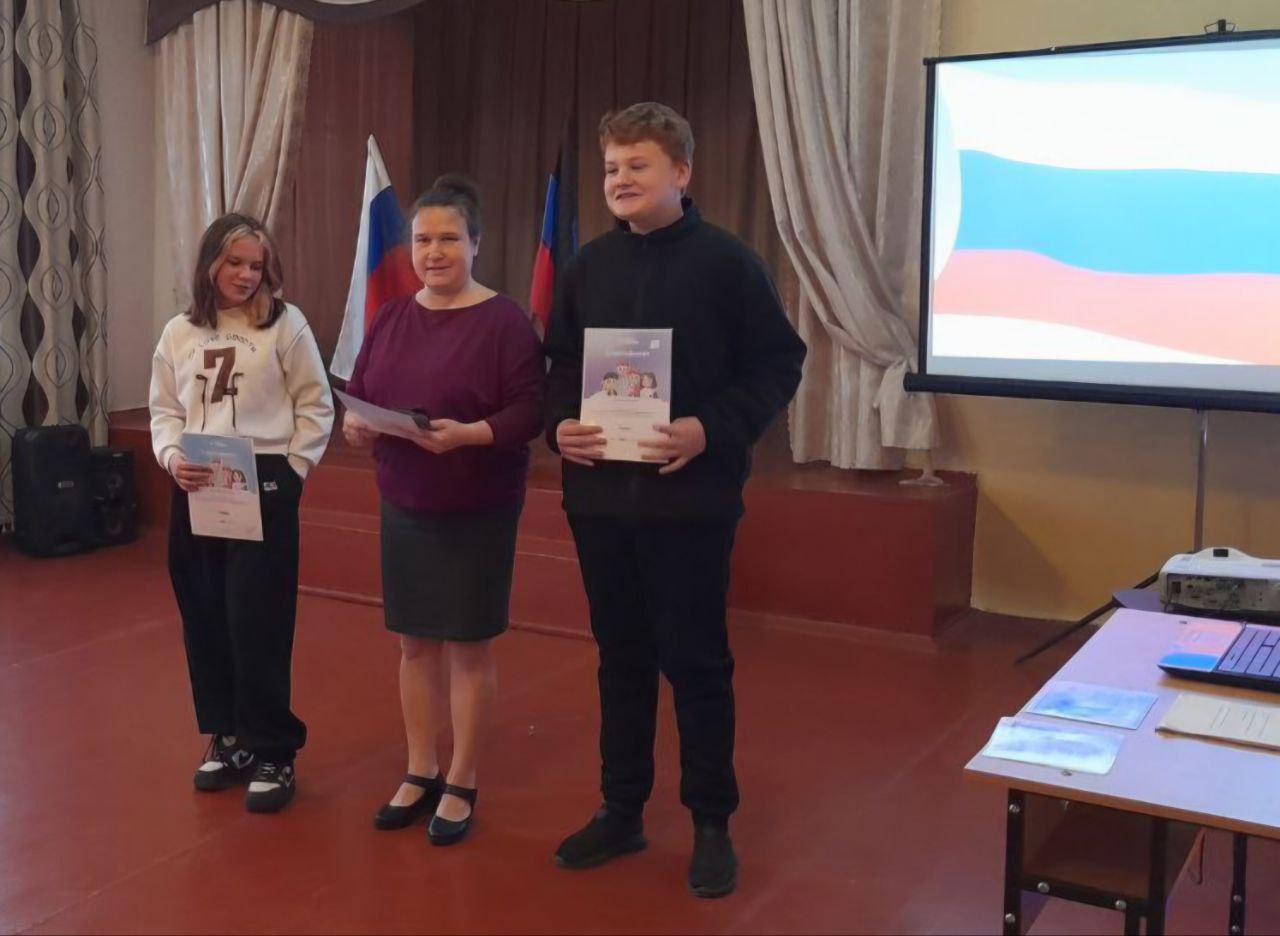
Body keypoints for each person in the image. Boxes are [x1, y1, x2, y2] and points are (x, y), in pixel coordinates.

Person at [545, 103, 806, 897]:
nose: (620, 179)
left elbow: (778, 364)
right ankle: (622, 808)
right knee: (620, 660)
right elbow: (558, 365)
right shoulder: (588, 266)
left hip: (690, 505)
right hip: (600, 504)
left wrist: (708, 429)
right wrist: (559, 425)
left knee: (696, 664)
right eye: (611, 168)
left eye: (638, 165)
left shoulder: (729, 264)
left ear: (682, 173)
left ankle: (711, 822)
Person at [343, 175, 544, 846]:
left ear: (476, 243)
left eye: (449, 239)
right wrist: (357, 427)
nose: (433, 252)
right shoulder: (392, 316)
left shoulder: (505, 321)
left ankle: (462, 776)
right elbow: (362, 393)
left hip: (476, 505)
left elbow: (529, 411)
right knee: (413, 642)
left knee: (465, 645)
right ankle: (420, 767)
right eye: (423, 240)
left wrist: (471, 434)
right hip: (405, 500)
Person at [150, 212, 334, 813]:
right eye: (234, 262)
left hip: (264, 481)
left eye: (257, 265)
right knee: (204, 614)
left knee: (258, 619)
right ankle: (228, 736)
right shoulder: (180, 331)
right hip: (196, 483)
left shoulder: (285, 324)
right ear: (210, 263)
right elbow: (164, 410)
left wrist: (295, 470)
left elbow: (316, 404)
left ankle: (274, 747)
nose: (246, 275)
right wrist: (172, 457)